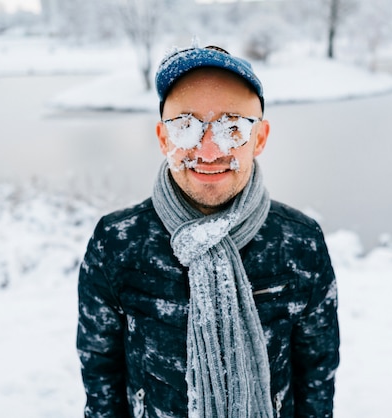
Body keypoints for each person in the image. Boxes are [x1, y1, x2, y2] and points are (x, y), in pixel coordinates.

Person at [77, 44, 340, 418]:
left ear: (260, 138)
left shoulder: (300, 244)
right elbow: (101, 374)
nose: (209, 150)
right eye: (185, 126)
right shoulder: (117, 242)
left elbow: (316, 377)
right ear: (163, 138)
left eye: (232, 127)